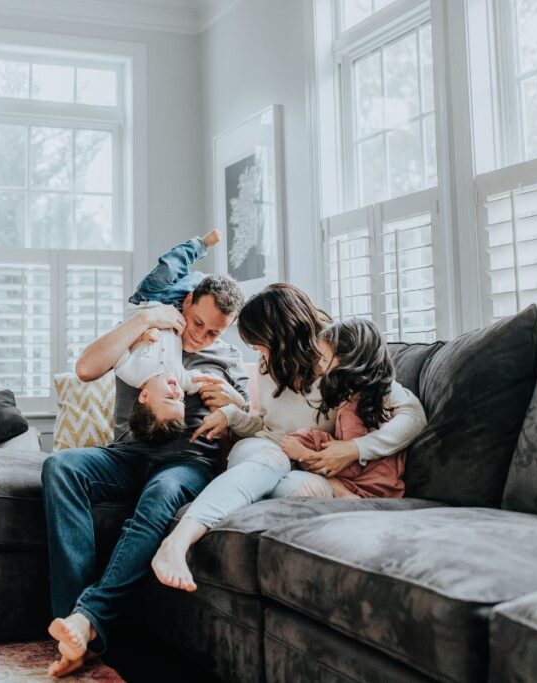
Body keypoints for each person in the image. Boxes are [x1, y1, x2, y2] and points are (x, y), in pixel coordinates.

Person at [151, 284, 426, 592]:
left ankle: (220, 508)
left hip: (305, 469)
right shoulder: (269, 367)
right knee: (271, 459)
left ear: (280, 336)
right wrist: (231, 415)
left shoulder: (338, 358)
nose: (257, 353)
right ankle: (178, 541)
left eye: (259, 344)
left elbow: (413, 416)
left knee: (296, 488)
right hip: (267, 451)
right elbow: (266, 428)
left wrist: (354, 449)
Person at [41, 268, 249, 677]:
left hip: (187, 463)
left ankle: (88, 617)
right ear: (186, 303)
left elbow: (251, 423)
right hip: (127, 454)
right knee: (60, 467)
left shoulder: (229, 359)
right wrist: (142, 321)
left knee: (160, 494)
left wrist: (233, 403)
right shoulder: (147, 332)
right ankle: (72, 626)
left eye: (213, 333)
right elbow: (85, 369)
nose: (201, 336)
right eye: (198, 323)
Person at [279, 318, 407, 499]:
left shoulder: (352, 408)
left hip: (370, 488)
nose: (321, 366)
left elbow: (350, 467)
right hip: (387, 484)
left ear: (348, 361)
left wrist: (303, 454)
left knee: (306, 451)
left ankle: (347, 497)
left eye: (324, 359)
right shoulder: (373, 396)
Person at [118, 230, 223, 443]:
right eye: (181, 401)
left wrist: (141, 335)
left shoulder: (131, 372)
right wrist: (233, 402)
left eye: (169, 397)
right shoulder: (180, 378)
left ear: (144, 396)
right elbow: (206, 382)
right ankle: (203, 278)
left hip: (147, 300)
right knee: (202, 283)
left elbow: (117, 344)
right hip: (175, 308)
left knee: (170, 266)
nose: (177, 391)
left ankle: (200, 244)